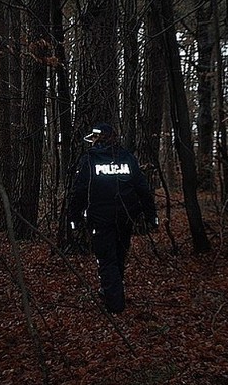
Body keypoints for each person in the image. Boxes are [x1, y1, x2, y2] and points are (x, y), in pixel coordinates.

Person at [68, 123, 158, 313]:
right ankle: (110, 292)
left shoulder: (91, 160)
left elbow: (79, 192)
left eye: (94, 138)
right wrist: (151, 215)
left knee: (109, 260)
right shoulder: (126, 158)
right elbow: (143, 189)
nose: (92, 142)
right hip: (122, 219)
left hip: (104, 220)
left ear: (99, 138)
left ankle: (115, 305)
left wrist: (74, 216)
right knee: (116, 258)